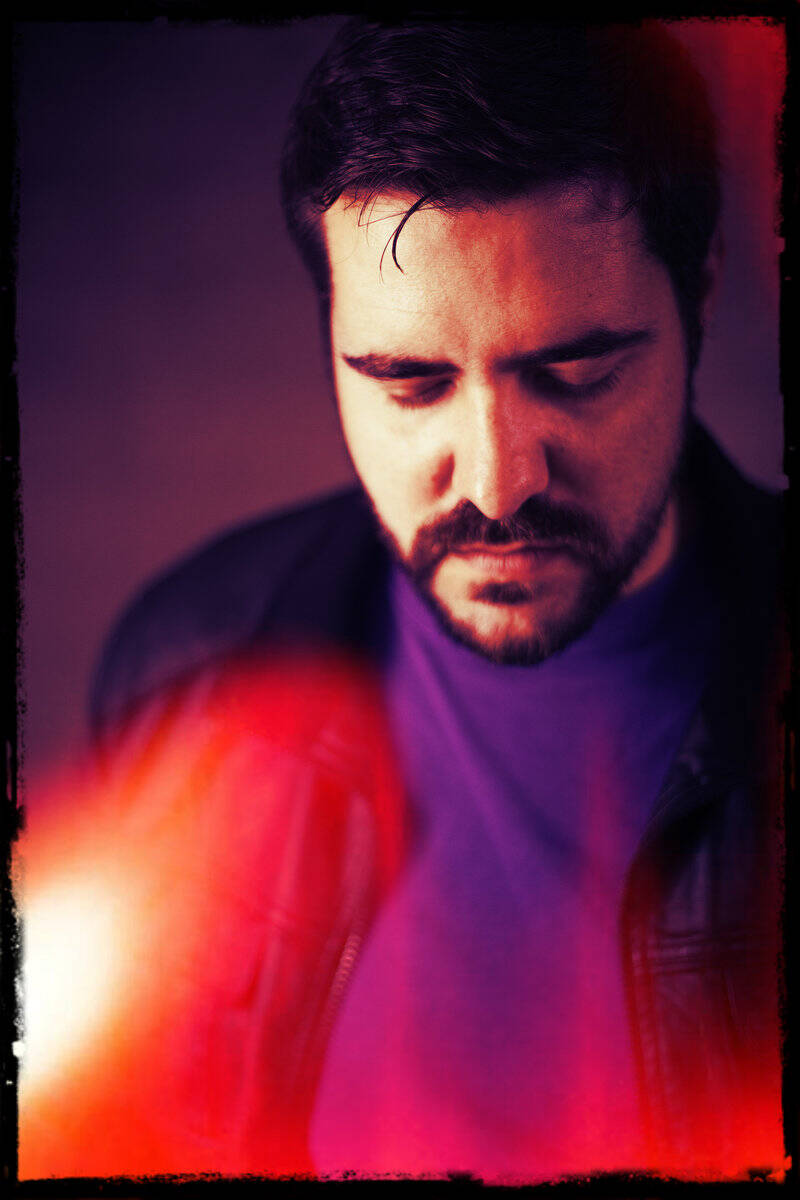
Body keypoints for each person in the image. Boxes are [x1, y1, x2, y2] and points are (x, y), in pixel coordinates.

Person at [20, 15, 785, 1185]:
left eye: (576, 373)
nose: (495, 482)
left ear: (703, 292)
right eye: (409, 382)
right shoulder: (185, 665)